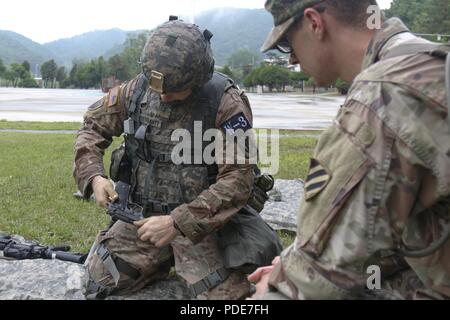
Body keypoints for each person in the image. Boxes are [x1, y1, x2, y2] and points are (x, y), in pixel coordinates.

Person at [249, 0, 450, 299]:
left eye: (288, 44)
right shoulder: (429, 61)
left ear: (315, 23)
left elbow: (316, 284)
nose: (292, 60)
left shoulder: (383, 96)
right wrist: (292, 265)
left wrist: (280, 283)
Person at [73, 17, 282, 300]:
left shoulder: (225, 103)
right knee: (100, 282)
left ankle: (189, 264)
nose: (162, 96)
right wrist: (95, 177)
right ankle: (160, 262)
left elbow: (237, 180)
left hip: (202, 227)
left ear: (198, 79)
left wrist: (176, 223)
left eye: (172, 90)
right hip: (142, 220)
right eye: (157, 86)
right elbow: (92, 127)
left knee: (223, 299)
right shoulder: (136, 90)